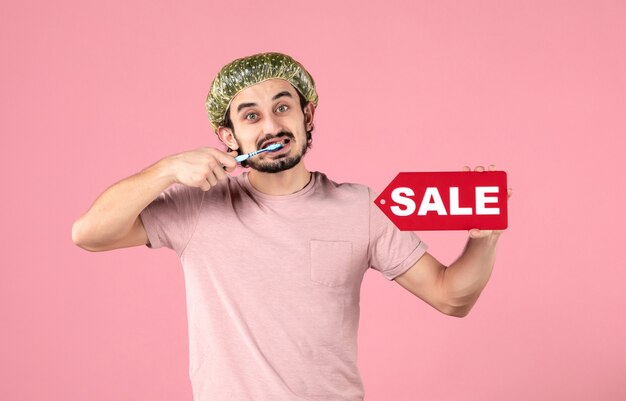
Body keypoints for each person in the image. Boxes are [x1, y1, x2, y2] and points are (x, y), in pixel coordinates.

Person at [72, 52, 512, 401]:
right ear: (228, 137)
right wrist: (166, 169)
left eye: (283, 107)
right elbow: (89, 233)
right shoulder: (197, 207)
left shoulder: (362, 208)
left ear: (308, 116)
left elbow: (452, 297)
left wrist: (484, 238)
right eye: (250, 115)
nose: (271, 125)